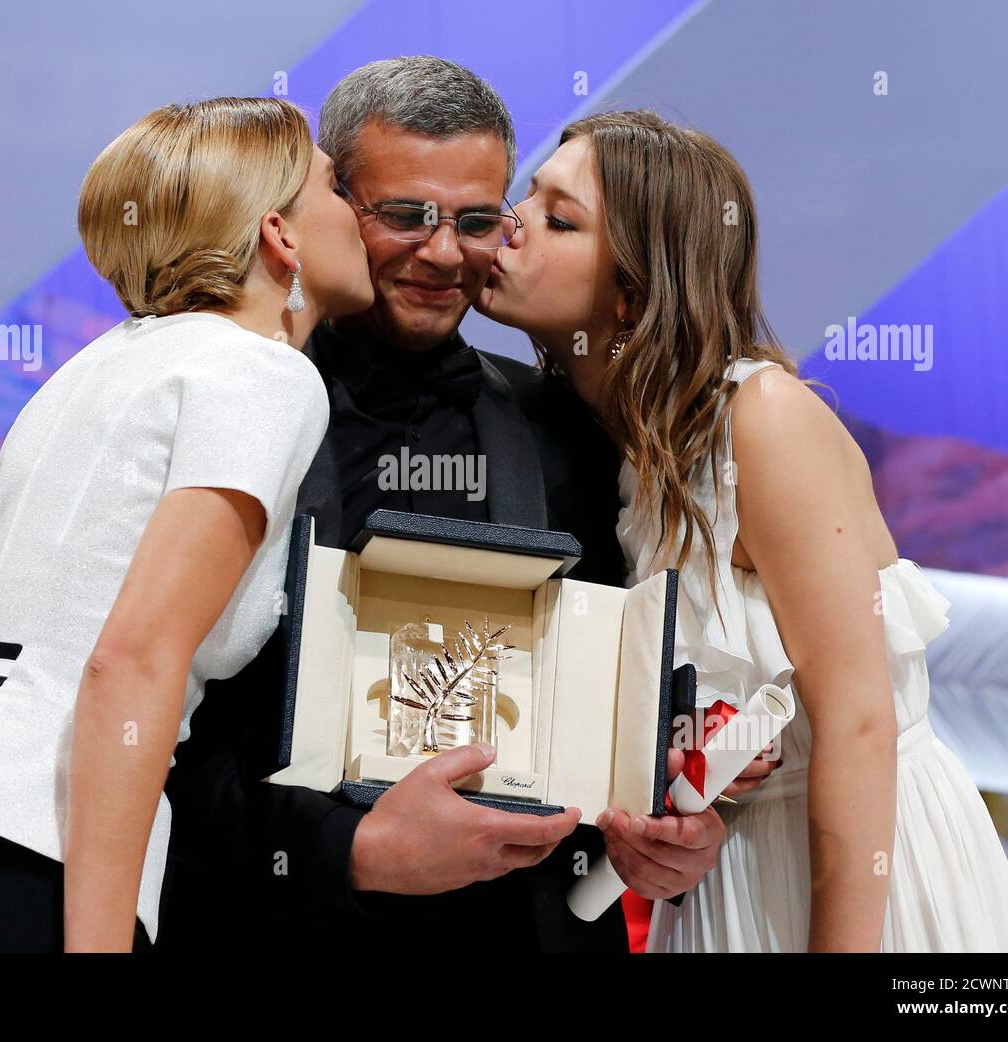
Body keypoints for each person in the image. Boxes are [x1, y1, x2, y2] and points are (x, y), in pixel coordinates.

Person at [158, 57, 773, 955]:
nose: (443, 253)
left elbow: (625, 700)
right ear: (328, 205)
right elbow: (153, 728)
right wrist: (351, 850)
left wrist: (670, 813)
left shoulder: (574, 430)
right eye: (405, 215)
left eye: (477, 220)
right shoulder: (228, 410)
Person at [474, 107, 1008, 952]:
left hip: (859, 885)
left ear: (632, 291)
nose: (508, 226)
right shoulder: (610, 449)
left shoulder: (760, 417)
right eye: (528, 197)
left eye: (559, 219)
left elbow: (858, 722)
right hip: (724, 891)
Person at [0, 97, 373, 952]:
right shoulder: (264, 375)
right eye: (336, 186)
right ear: (281, 236)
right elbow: (131, 660)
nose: (361, 214)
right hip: (43, 881)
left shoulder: (80, 375)